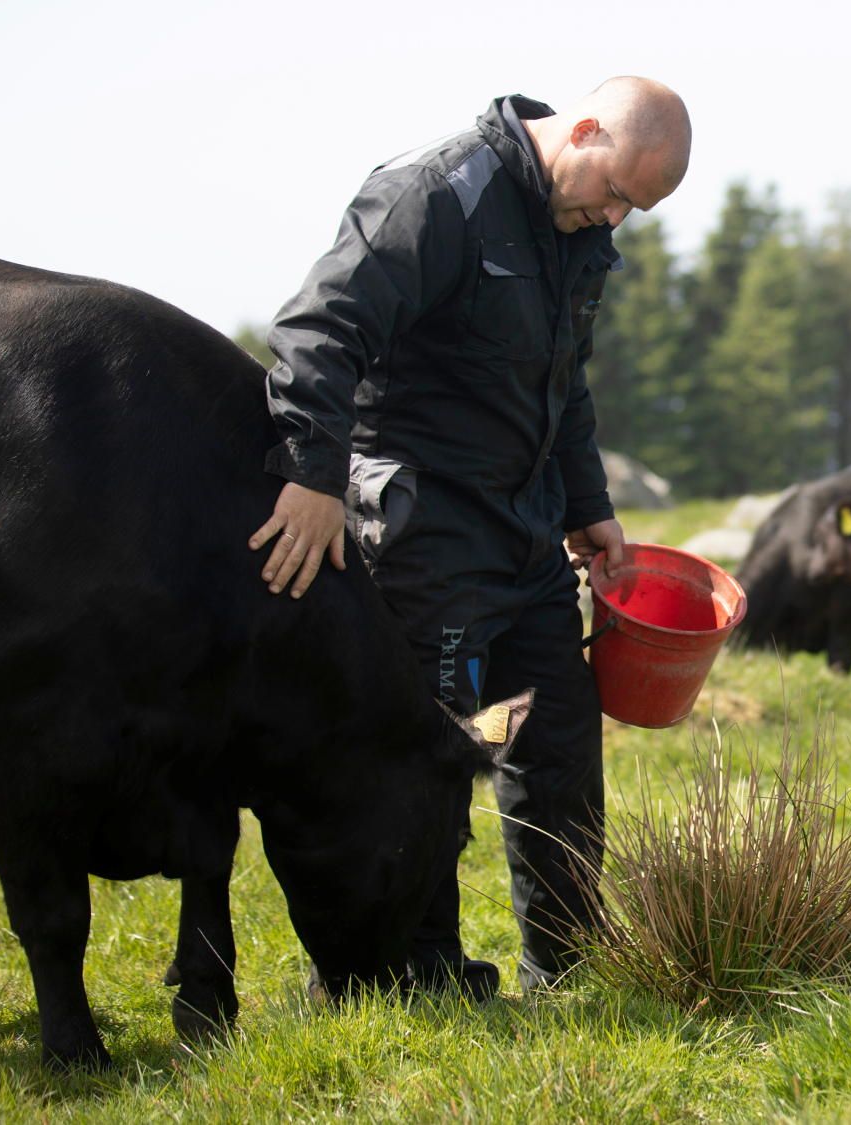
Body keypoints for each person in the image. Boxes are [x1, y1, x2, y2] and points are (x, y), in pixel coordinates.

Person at [248, 77, 692, 996]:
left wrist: (588, 503)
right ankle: (419, 970)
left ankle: (565, 965)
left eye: (631, 209)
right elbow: (318, 330)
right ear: (580, 129)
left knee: (557, 741)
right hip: (426, 536)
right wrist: (312, 475)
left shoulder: (581, 231)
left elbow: (561, 384)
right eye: (613, 192)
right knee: (441, 750)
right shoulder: (436, 194)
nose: (614, 217)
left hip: (528, 538)